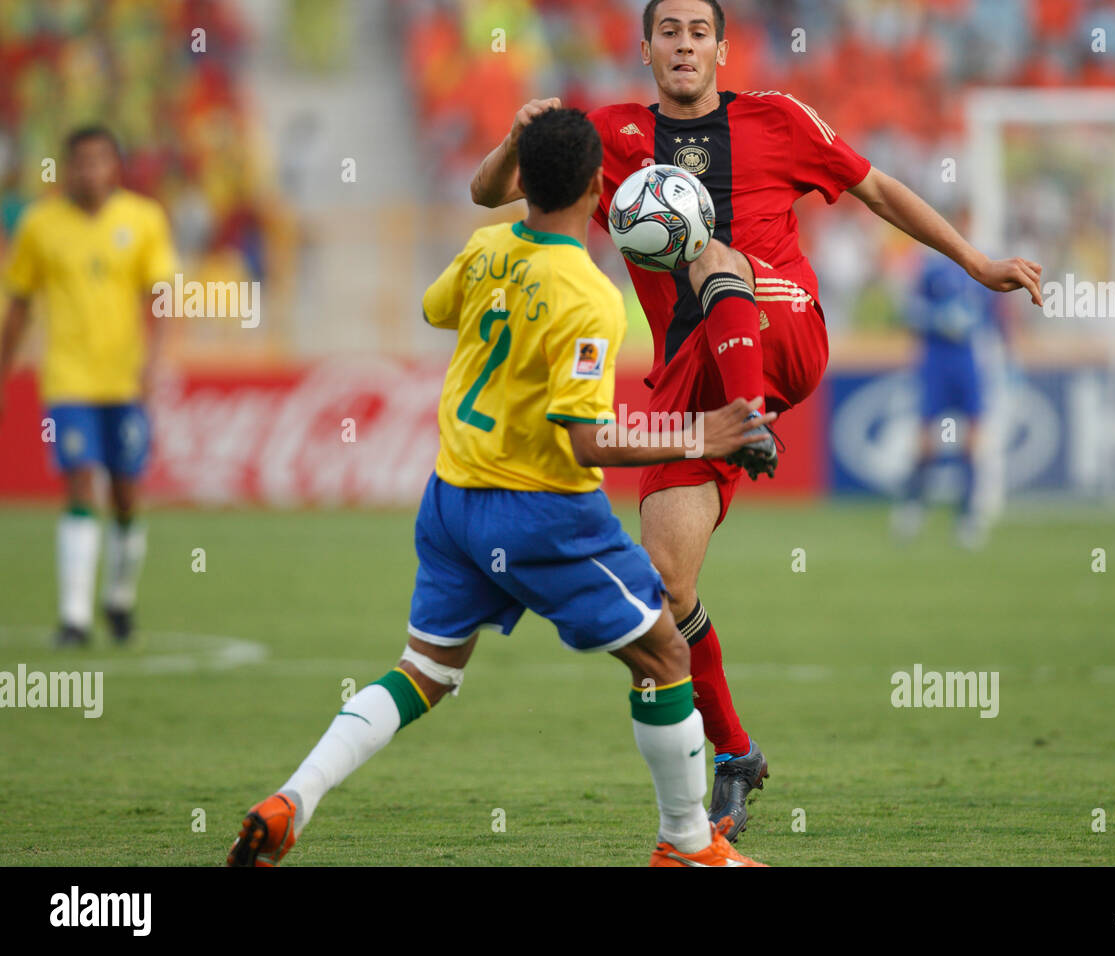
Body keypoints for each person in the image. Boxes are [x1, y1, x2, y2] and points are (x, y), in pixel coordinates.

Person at [470, 0, 1044, 840]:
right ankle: (734, 752)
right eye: (669, 32)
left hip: (782, 335)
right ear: (646, 48)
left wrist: (976, 262)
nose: (684, 46)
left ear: (721, 49)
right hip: (687, 382)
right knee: (662, 589)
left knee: (713, 250)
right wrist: (515, 137)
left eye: (698, 33)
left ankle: (750, 420)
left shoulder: (777, 119)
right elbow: (492, 192)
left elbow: (877, 188)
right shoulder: (609, 137)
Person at [227, 109, 774, 868]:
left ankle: (294, 796)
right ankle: (686, 845)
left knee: (426, 670)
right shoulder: (588, 294)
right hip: (541, 509)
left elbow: (432, 308)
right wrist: (701, 435)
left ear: (522, 180)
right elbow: (584, 438)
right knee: (663, 654)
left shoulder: (485, 249)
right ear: (597, 188)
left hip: (452, 499)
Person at [0, 125, 177, 646]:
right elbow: (20, 305)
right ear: (66, 166)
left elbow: (161, 295)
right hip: (67, 381)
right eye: (80, 162)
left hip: (124, 382)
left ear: (114, 166)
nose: (90, 171)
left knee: (125, 494)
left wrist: (155, 361)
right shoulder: (40, 225)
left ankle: (119, 598)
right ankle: (74, 617)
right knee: (79, 481)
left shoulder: (143, 219)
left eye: (100, 161)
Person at [893, 252, 1003, 549]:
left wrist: (1006, 356)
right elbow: (907, 310)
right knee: (927, 439)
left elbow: (995, 318)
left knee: (973, 439)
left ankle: (968, 515)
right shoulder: (931, 268)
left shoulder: (984, 266)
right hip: (936, 361)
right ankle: (913, 506)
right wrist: (935, 317)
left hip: (968, 361)